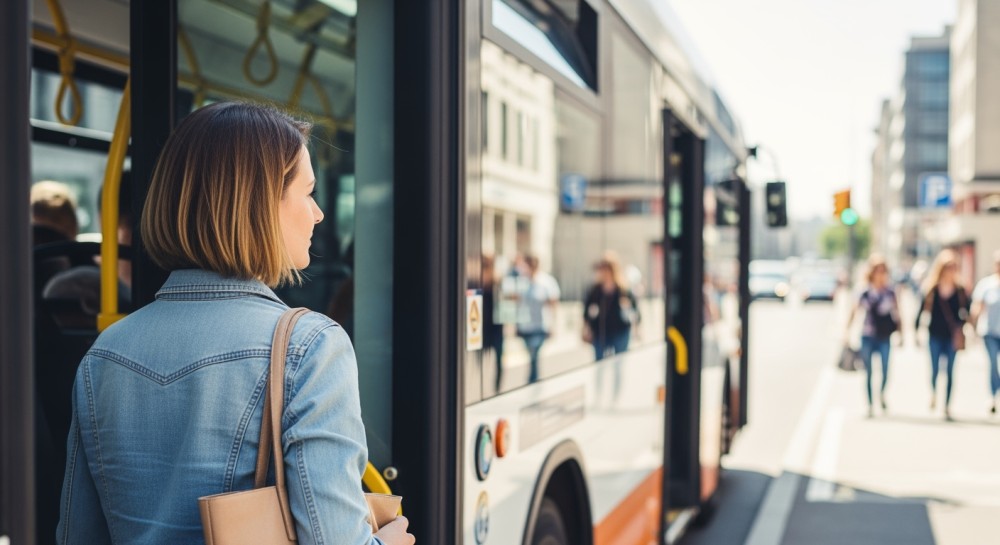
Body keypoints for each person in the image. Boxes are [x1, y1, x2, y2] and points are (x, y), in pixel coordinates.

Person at [57, 103, 414, 545]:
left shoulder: (106, 352)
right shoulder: (311, 347)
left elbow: (77, 535)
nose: (319, 213)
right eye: (307, 193)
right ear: (260, 205)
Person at [914, 249, 970, 421]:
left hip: (951, 336)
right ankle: (933, 393)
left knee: (951, 371)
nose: (951, 270)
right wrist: (916, 330)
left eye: (954, 267)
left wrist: (964, 326)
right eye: (948, 267)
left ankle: (946, 405)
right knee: (935, 370)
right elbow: (921, 310)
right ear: (941, 268)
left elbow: (966, 311)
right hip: (935, 334)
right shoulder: (932, 288)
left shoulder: (960, 289)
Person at [845, 255, 900, 417]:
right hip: (867, 335)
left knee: (884, 370)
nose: (880, 273)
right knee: (868, 371)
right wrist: (847, 331)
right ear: (871, 272)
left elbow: (897, 312)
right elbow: (854, 311)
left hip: (885, 336)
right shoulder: (864, 291)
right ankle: (869, 404)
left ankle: (881, 394)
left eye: (883, 270)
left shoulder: (890, 292)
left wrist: (902, 332)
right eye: (877, 270)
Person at [583, 252, 639, 360]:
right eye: (602, 269)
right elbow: (587, 311)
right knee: (600, 362)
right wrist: (586, 328)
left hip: (620, 331)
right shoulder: (595, 290)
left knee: (619, 361)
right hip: (601, 332)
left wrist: (636, 328)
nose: (605, 273)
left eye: (608, 269)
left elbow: (635, 310)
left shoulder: (623, 289)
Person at [516, 254, 560, 383]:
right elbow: (512, 302)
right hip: (525, 326)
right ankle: (533, 379)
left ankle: (533, 380)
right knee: (530, 354)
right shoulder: (520, 281)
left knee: (534, 353)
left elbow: (553, 305)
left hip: (541, 325)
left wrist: (553, 325)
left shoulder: (546, 281)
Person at [970, 250, 1000, 414]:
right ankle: (993, 396)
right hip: (990, 332)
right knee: (993, 364)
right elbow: (978, 307)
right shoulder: (986, 285)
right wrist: (972, 326)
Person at [481, 254, 505, 393]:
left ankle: (496, 388)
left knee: (497, 358)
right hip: (484, 326)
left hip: (495, 326)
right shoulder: (476, 279)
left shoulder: (498, 280)